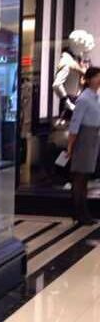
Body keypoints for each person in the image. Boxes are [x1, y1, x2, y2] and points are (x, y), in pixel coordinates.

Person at [67, 66, 100, 225]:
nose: (99, 80)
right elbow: (75, 124)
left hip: (93, 138)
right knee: (80, 177)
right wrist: (70, 146)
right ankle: (79, 211)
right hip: (84, 138)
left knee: (85, 177)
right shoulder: (84, 99)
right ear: (88, 79)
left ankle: (81, 211)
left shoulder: (95, 98)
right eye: (96, 77)